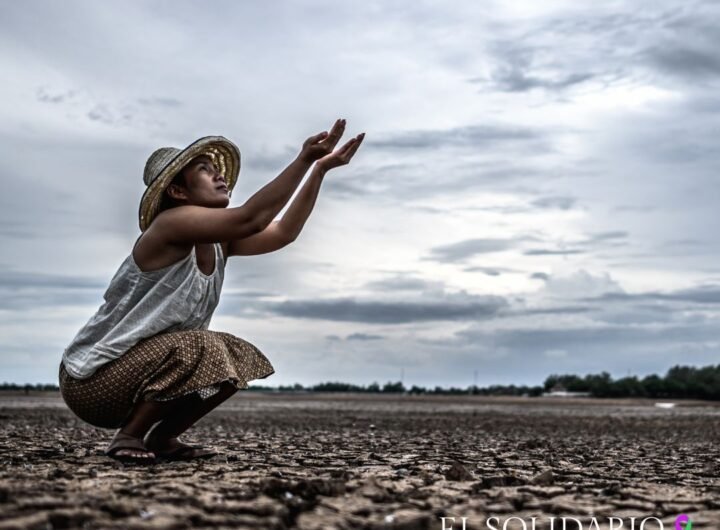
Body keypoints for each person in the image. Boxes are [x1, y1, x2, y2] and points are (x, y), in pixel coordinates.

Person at [58, 118, 365, 464]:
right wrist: (303, 159)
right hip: (93, 381)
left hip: (142, 376)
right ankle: (128, 436)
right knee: (201, 344)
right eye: (205, 170)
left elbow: (282, 233)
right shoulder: (170, 226)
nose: (219, 175)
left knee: (235, 355)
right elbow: (252, 218)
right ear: (178, 192)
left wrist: (319, 171)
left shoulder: (220, 242)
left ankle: (162, 436)